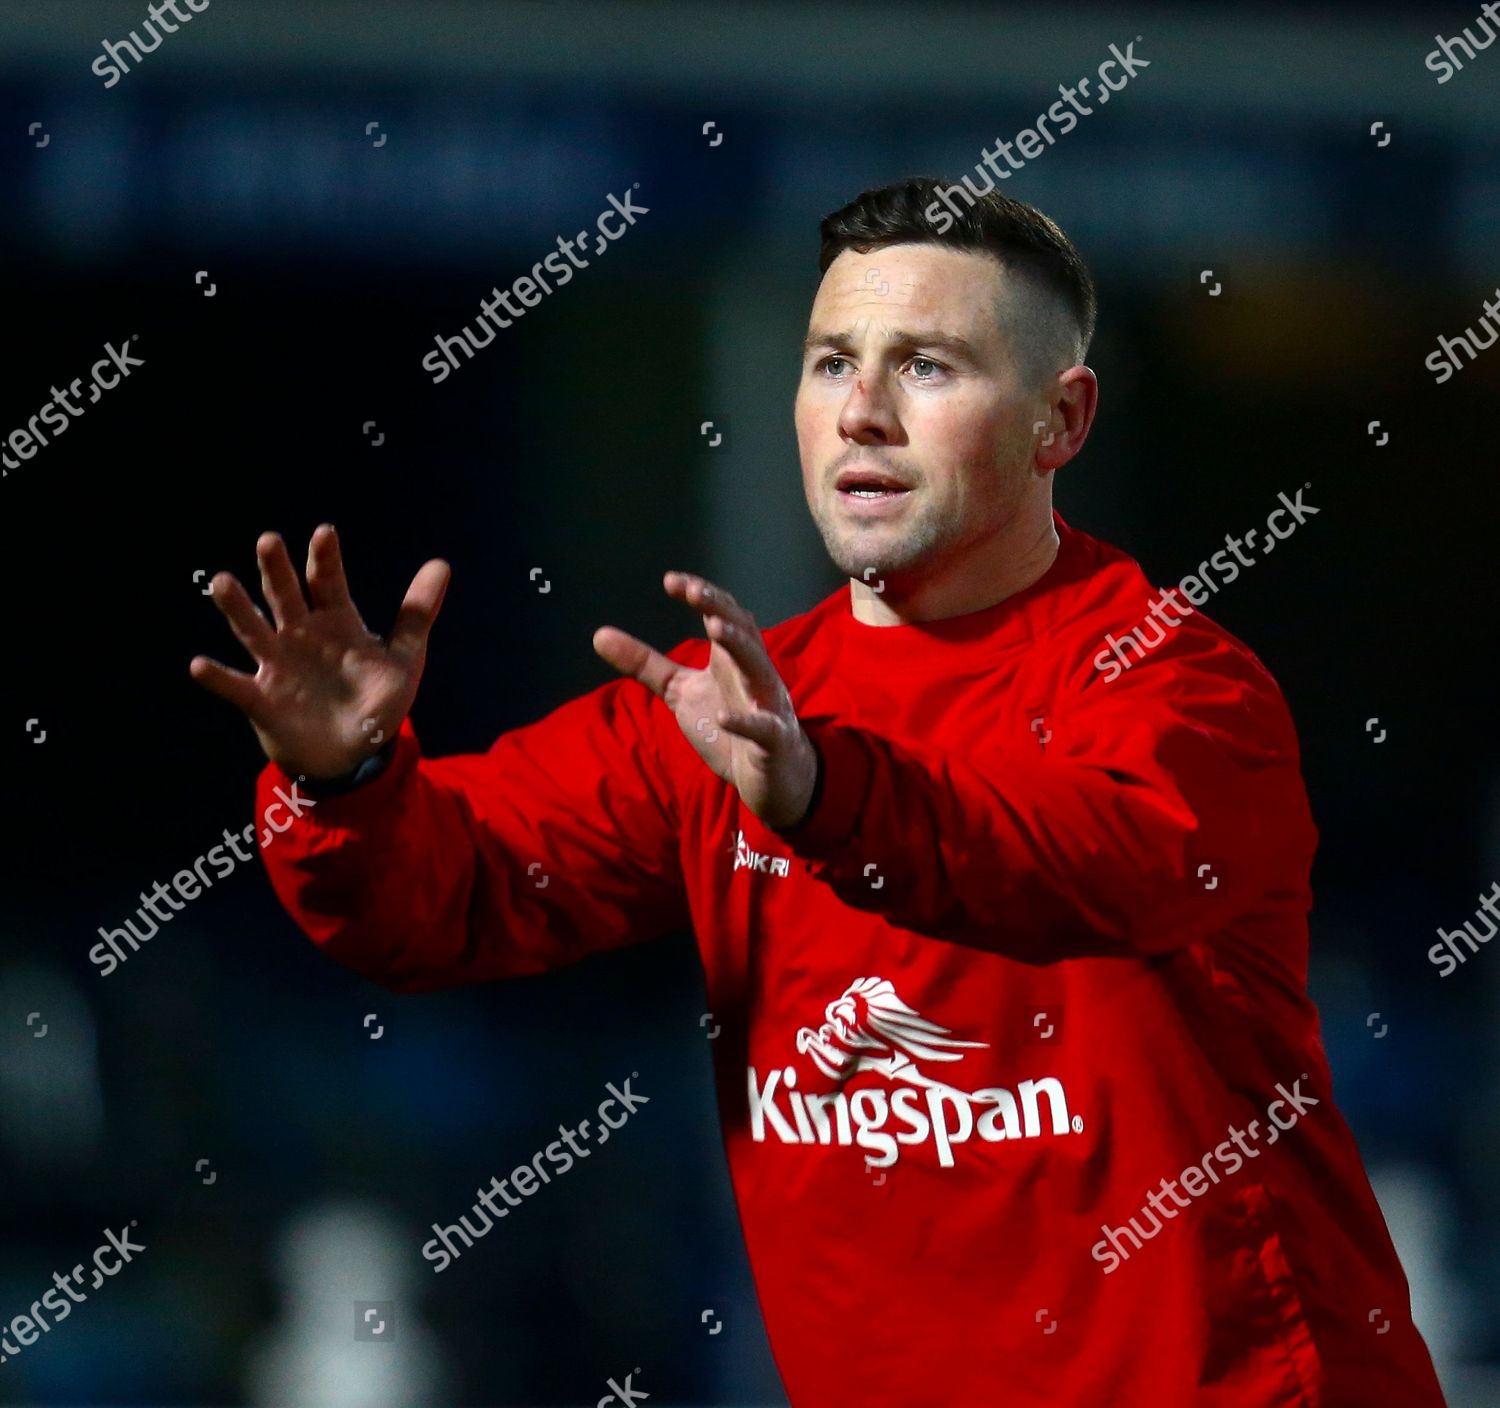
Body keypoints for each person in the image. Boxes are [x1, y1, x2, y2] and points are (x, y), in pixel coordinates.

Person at [190, 177, 1446, 1406]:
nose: (862, 413)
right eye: (833, 362)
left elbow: (1080, 862)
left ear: (1059, 421)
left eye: (928, 366)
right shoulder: (728, 703)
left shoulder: (1179, 688)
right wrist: (342, 776)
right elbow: (436, 898)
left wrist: (828, 796)